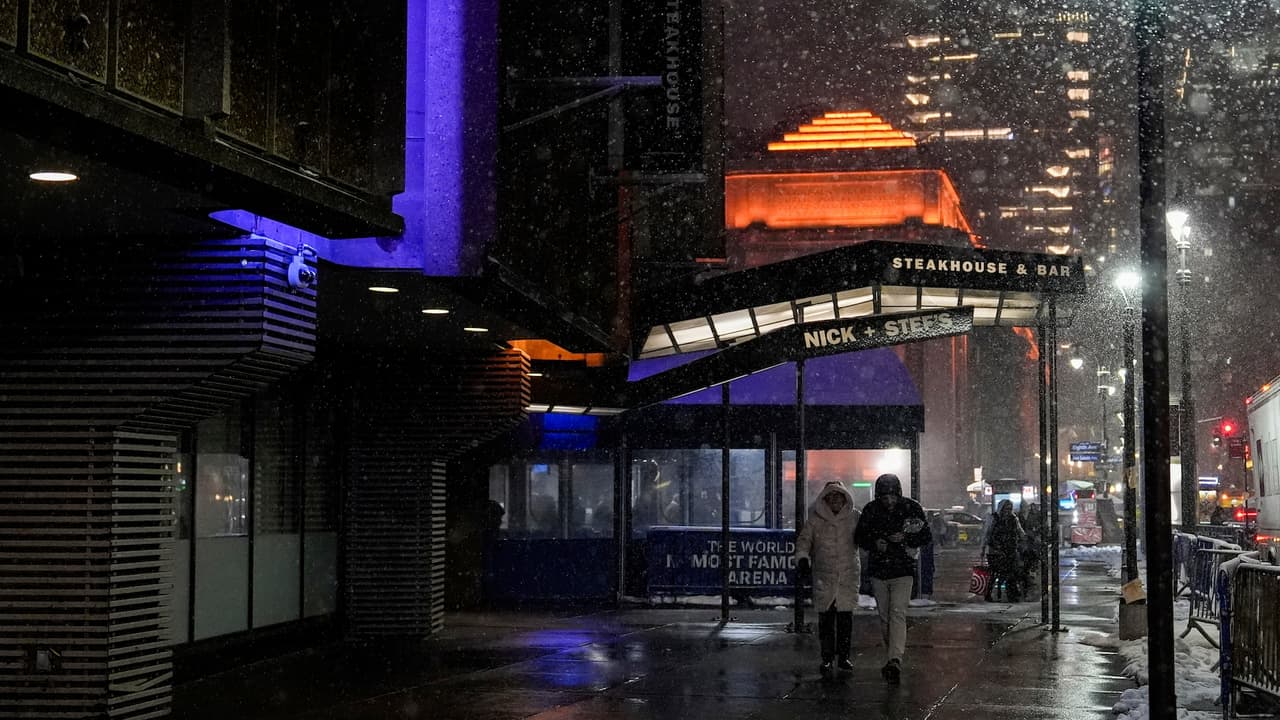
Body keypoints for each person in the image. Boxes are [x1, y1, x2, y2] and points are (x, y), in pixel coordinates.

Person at [855, 473, 931, 684]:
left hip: (902, 570)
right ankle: (893, 656)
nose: (888, 501)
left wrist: (906, 538)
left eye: (892, 496)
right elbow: (860, 536)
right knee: (886, 616)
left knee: (897, 612)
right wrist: (874, 542)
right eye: (884, 497)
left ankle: (894, 658)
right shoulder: (871, 510)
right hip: (880, 571)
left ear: (898, 494)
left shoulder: (911, 508)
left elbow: (926, 536)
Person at [795, 482, 862, 677]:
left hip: (847, 576)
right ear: (825, 499)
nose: (835, 501)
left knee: (844, 619)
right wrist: (802, 558)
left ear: (844, 498)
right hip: (824, 575)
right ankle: (827, 657)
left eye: (838, 497)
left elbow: (865, 536)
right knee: (826, 620)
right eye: (831, 497)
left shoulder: (854, 517)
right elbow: (804, 540)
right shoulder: (815, 521)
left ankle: (843, 656)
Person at [983, 500, 1026, 602]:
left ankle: (1011, 594)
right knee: (994, 573)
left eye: (1010, 509)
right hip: (995, 551)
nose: (1008, 511)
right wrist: (983, 549)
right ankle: (989, 594)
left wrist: (1024, 539)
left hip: (1009, 550)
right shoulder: (994, 518)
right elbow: (986, 534)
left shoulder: (1013, 519)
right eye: (1006, 509)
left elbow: (1020, 532)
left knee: (1011, 573)